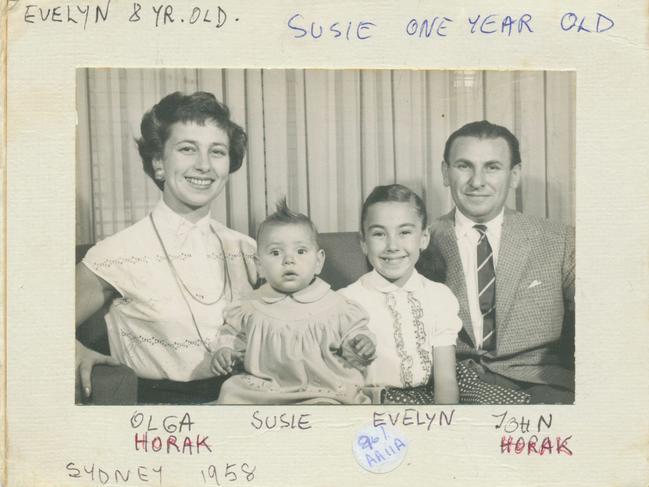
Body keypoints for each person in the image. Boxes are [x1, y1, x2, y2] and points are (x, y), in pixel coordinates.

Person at [76, 91, 258, 404]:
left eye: (217, 152)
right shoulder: (117, 253)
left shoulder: (248, 249)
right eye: (187, 149)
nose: (204, 165)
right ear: (159, 162)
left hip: (245, 402)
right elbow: (30, 318)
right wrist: (75, 352)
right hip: (163, 417)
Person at [422, 120, 575, 404]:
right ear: (445, 173)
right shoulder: (419, 243)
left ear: (514, 175)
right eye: (464, 166)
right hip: (453, 385)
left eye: (492, 167)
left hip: (540, 385)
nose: (477, 181)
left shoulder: (559, 239)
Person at [211, 200, 376, 404]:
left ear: (318, 261)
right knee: (231, 393)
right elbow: (233, 335)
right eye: (275, 252)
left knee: (330, 407)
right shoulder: (250, 307)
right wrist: (225, 351)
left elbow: (355, 335)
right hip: (266, 390)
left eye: (300, 251)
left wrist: (361, 344)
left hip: (322, 389)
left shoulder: (337, 306)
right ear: (259, 266)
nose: (289, 260)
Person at [339, 184, 462, 405]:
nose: (392, 246)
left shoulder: (439, 297)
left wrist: (444, 428)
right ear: (363, 243)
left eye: (404, 232)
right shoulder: (347, 301)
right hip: (376, 402)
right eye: (379, 234)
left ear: (424, 238)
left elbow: (445, 380)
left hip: (432, 396)